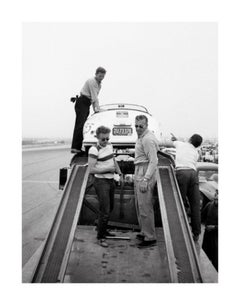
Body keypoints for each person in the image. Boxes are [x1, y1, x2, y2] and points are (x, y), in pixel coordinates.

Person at [87, 126, 122, 247]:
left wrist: (119, 172)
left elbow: (113, 160)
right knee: (105, 210)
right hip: (101, 182)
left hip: (110, 181)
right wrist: (108, 169)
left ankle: (103, 230)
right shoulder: (94, 150)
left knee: (110, 207)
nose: (106, 141)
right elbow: (91, 169)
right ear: (97, 137)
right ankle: (101, 237)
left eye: (107, 138)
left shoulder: (109, 145)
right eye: (103, 139)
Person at [171, 133, 203, 242]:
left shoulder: (181, 144)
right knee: (195, 205)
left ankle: (180, 231)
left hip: (181, 173)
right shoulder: (196, 152)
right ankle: (196, 233)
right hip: (193, 174)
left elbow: (174, 141)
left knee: (180, 203)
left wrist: (175, 138)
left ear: (189, 139)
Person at [134, 115, 159, 248]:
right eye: (136, 126)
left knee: (145, 206)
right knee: (140, 205)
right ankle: (144, 231)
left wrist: (145, 179)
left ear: (146, 125)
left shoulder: (148, 139)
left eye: (141, 126)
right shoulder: (141, 137)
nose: (138, 128)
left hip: (144, 171)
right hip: (139, 169)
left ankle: (150, 237)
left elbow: (154, 161)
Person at [71, 67, 107, 154]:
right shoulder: (92, 81)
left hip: (86, 104)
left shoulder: (99, 85)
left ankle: (78, 147)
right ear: (96, 74)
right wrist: (97, 109)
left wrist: (96, 109)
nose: (101, 78)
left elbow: (94, 99)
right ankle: (75, 148)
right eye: (99, 76)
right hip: (82, 102)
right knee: (80, 125)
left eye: (102, 76)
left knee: (83, 125)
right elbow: (94, 97)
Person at [202, 189, 218, 271]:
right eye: (216, 198)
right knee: (205, 255)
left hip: (216, 238)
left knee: (216, 259)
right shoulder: (209, 205)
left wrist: (214, 227)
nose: (216, 200)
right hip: (207, 235)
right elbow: (202, 217)